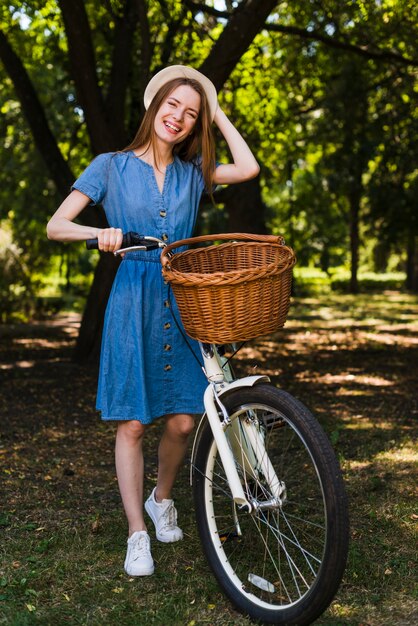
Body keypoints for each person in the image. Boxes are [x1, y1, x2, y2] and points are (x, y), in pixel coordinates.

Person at [47, 65, 259, 576]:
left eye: (190, 114)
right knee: (134, 423)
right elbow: (57, 226)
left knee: (185, 420)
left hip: (183, 299)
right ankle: (137, 532)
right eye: (173, 106)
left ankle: (161, 498)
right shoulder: (109, 166)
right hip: (132, 299)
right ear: (154, 106)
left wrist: (217, 110)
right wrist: (99, 233)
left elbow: (248, 168)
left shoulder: (193, 172)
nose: (179, 118)